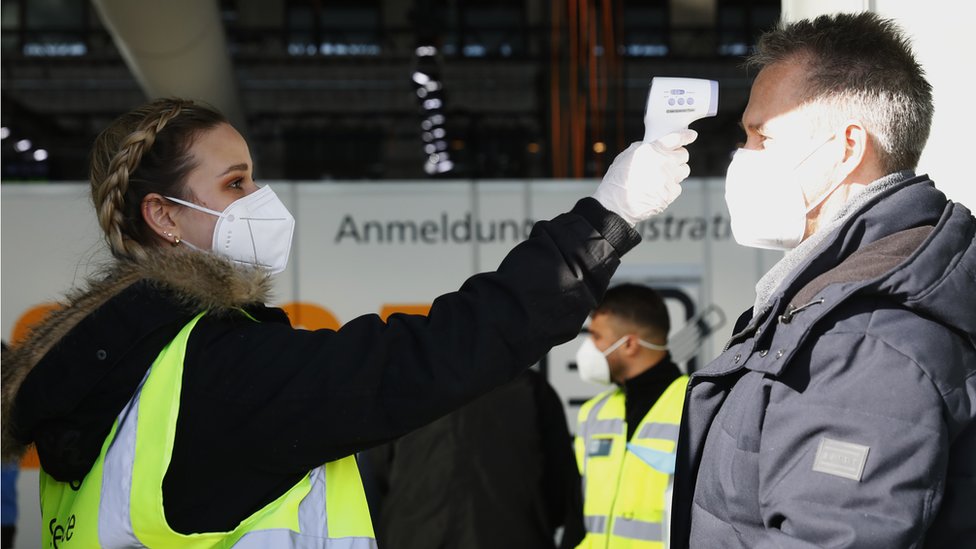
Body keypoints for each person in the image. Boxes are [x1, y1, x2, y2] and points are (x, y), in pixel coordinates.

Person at [0, 97, 696, 547]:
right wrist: (611, 217)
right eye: (235, 183)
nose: (260, 197)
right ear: (164, 217)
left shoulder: (101, 381)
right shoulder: (215, 370)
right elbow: (434, 354)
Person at [669, 12, 976, 548]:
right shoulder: (838, 302)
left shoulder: (865, 341)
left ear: (846, 148)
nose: (742, 157)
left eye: (760, 135)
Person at [359, 368, 585, 549]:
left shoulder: (403, 393)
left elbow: (372, 484)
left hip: (417, 539)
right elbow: (561, 492)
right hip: (515, 539)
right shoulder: (532, 388)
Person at [573, 283, 687, 548]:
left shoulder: (696, 407)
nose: (589, 348)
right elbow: (576, 514)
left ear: (630, 345)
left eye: (597, 337)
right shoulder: (593, 413)